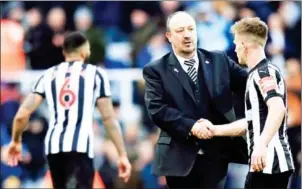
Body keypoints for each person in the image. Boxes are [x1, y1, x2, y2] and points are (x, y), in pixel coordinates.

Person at [5, 32, 132, 188]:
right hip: (81, 147)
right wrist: (122, 154)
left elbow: (22, 114)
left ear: (64, 52)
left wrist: (15, 141)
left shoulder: (48, 75)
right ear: (85, 52)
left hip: (54, 149)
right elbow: (109, 119)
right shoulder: (96, 74)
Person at [142, 11, 248, 188]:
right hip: (178, 158)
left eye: (191, 29)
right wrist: (192, 127)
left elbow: (249, 84)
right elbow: (157, 109)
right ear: (169, 36)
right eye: (180, 30)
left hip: (216, 154)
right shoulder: (155, 70)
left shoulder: (219, 59)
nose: (187, 35)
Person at [203, 17, 295, 188]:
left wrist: (261, 144)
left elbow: (277, 108)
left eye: (237, 43)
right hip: (264, 163)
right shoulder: (258, 74)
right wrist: (215, 130)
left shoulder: (264, 72)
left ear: (245, 44)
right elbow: (251, 122)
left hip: (269, 163)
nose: (236, 48)